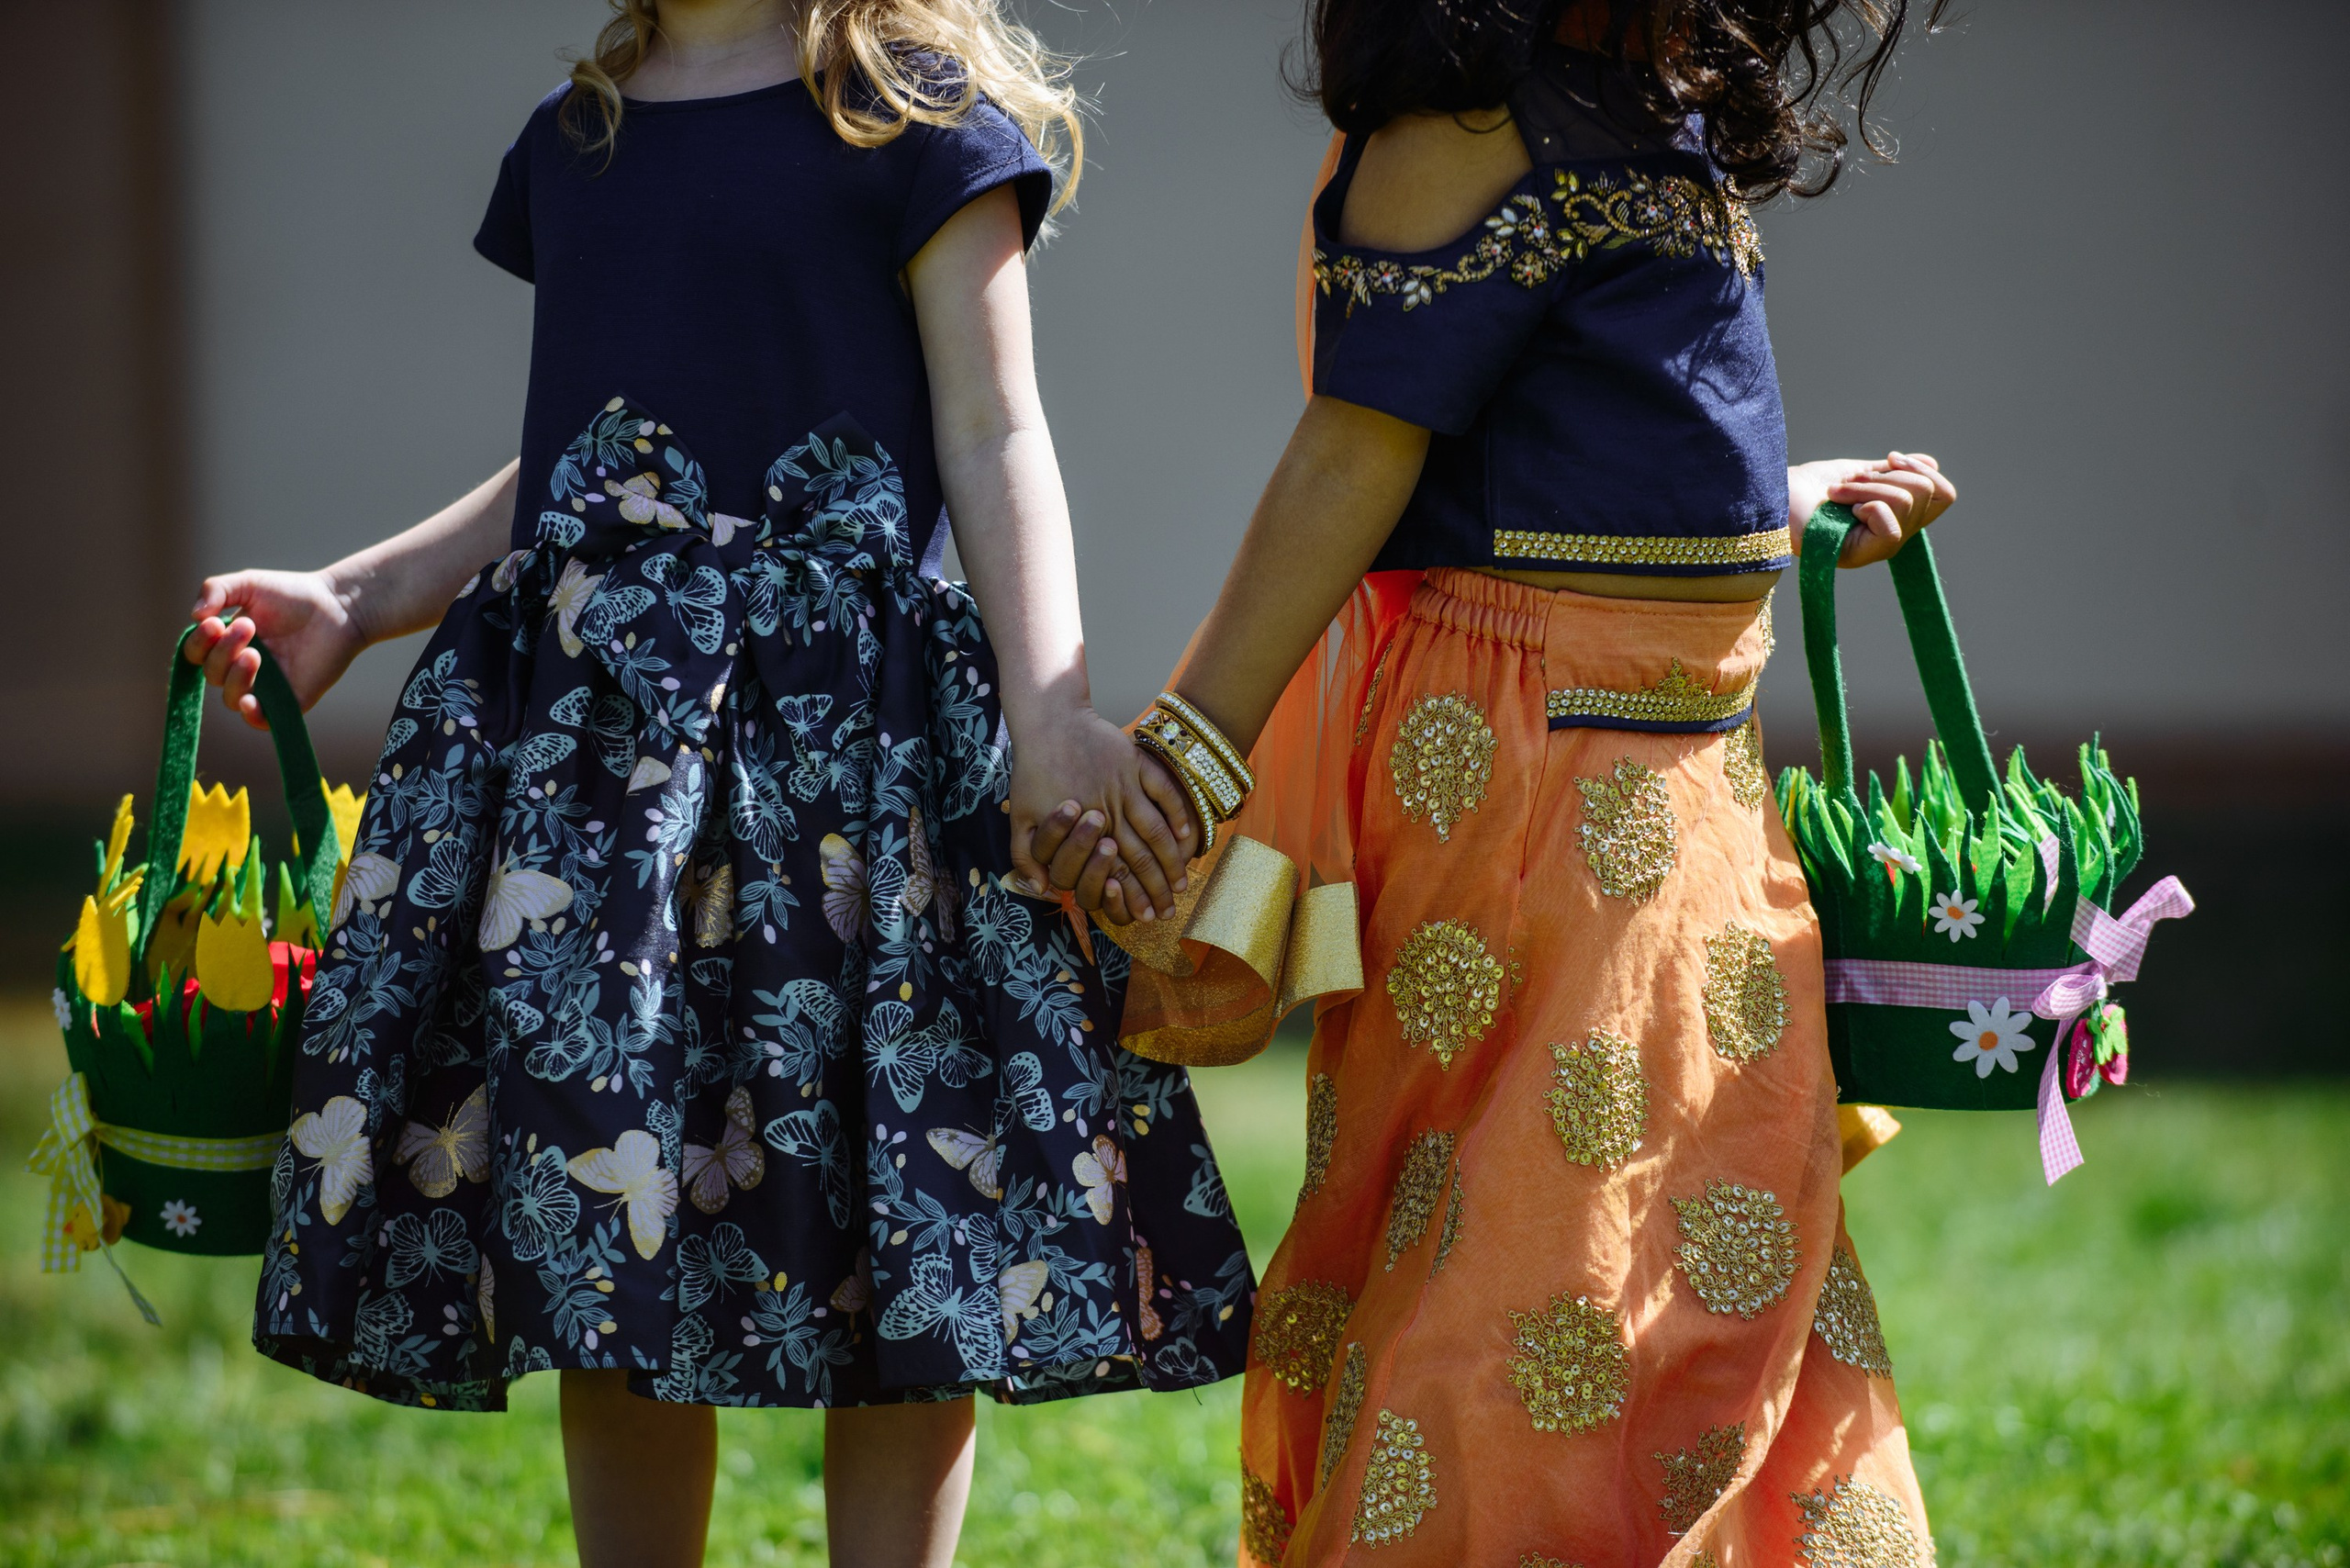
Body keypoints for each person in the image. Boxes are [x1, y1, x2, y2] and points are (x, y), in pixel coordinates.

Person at [183, 3, 1252, 1564]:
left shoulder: (913, 114)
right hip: (603, 773)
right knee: (608, 1197)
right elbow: (577, 458)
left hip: (855, 758)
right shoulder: (581, 136)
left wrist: (1054, 713)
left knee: (893, 1191)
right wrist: (356, 594)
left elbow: (995, 423)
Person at [1035, 0, 1958, 1562]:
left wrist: (1765, 511)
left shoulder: (1643, 99)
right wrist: (1186, 760)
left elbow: (1573, 422)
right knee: (1545, 1255)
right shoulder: (1470, 119)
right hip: (1538, 777)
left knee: (1695, 1228)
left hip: (1680, 781)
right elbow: (1357, 454)